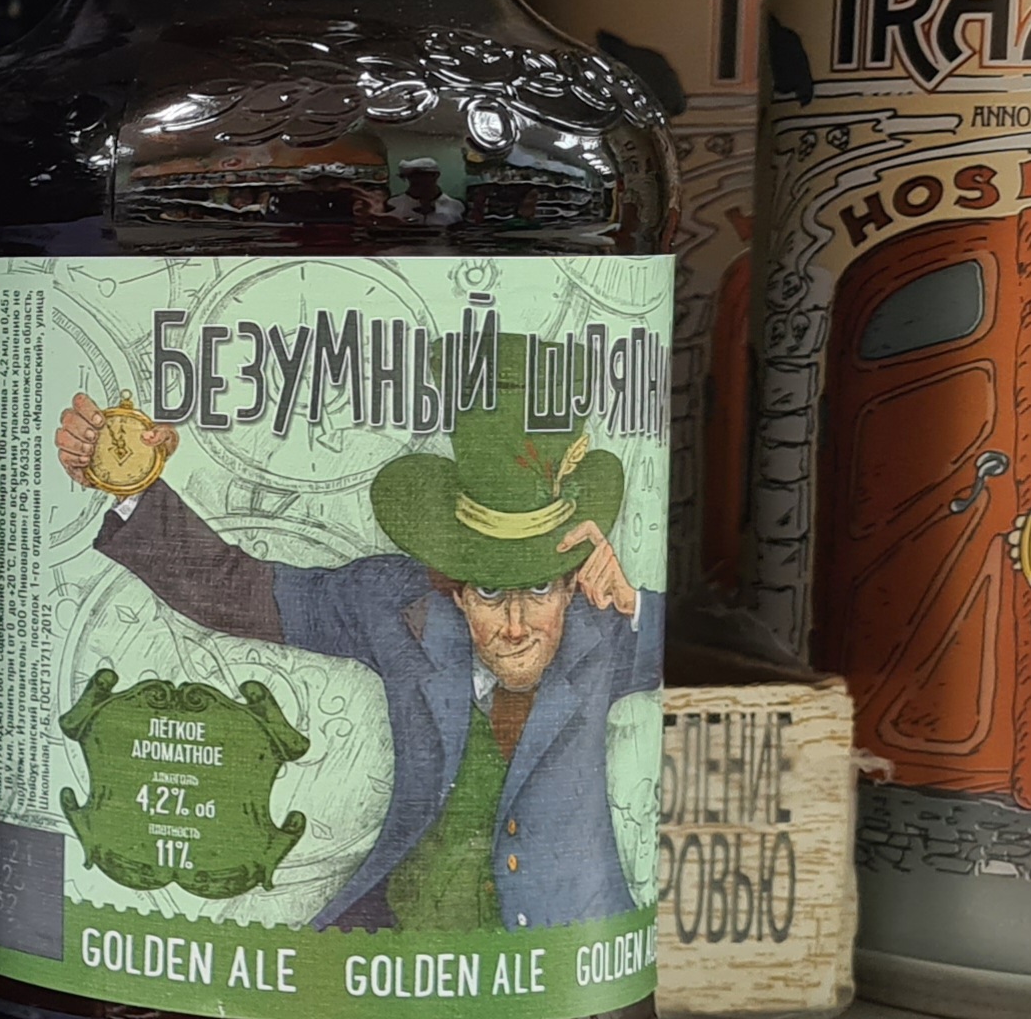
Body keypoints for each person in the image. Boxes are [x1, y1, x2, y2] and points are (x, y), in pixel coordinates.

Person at [55, 340, 658, 936]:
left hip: (569, 945)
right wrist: (127, 477)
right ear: (454, 588)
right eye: (490, 592)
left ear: (572, 586)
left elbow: (687, 657)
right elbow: (233, 587)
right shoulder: (394, 606)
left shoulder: (612, 628)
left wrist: (638, 606)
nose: (517, 625)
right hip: (403, 940)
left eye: (541, 589)